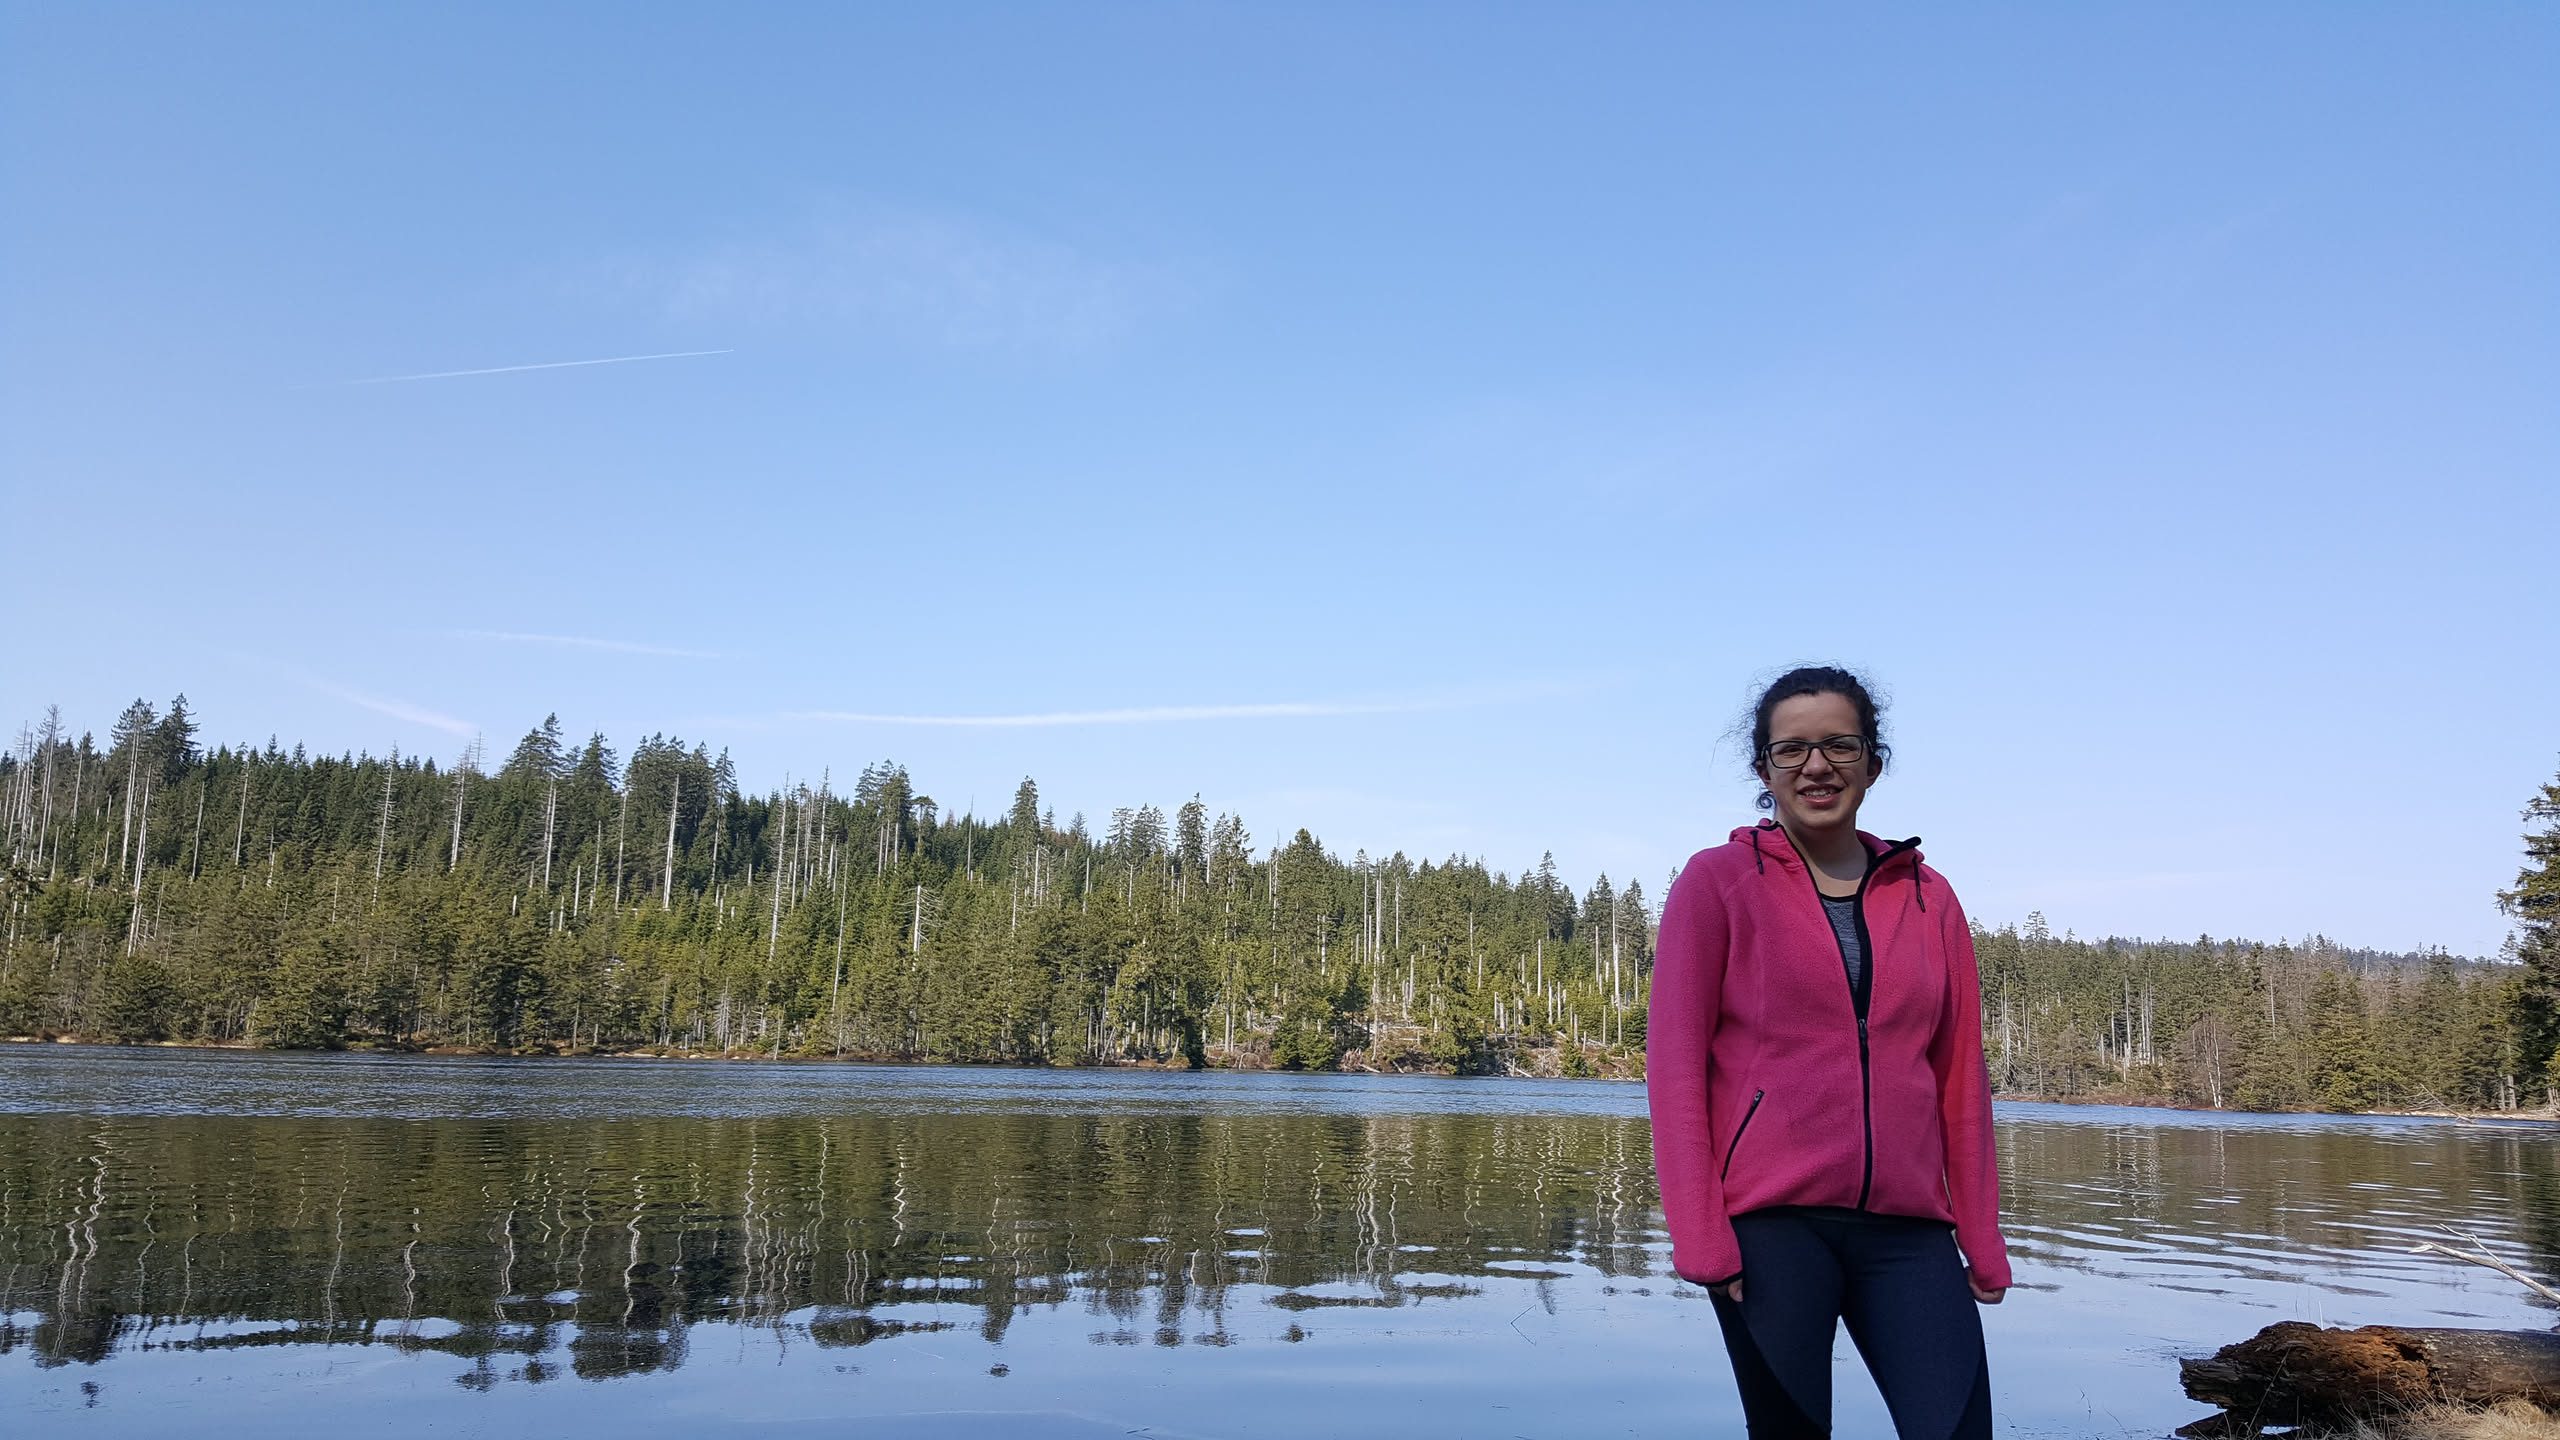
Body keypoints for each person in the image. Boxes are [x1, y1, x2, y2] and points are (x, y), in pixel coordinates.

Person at [1647, 666, 2010, 1439]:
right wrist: (1701, 1237)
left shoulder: (1929, 897)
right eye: (1793, 750)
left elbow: (1959, 1079)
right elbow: (1675, 1073)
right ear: (1765, 770)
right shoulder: (1718, 883)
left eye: (1840, 746)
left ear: (1872, 763)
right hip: (1771, 1229)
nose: (1817, 766)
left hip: (1910, 1233)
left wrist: (1981, 1237)